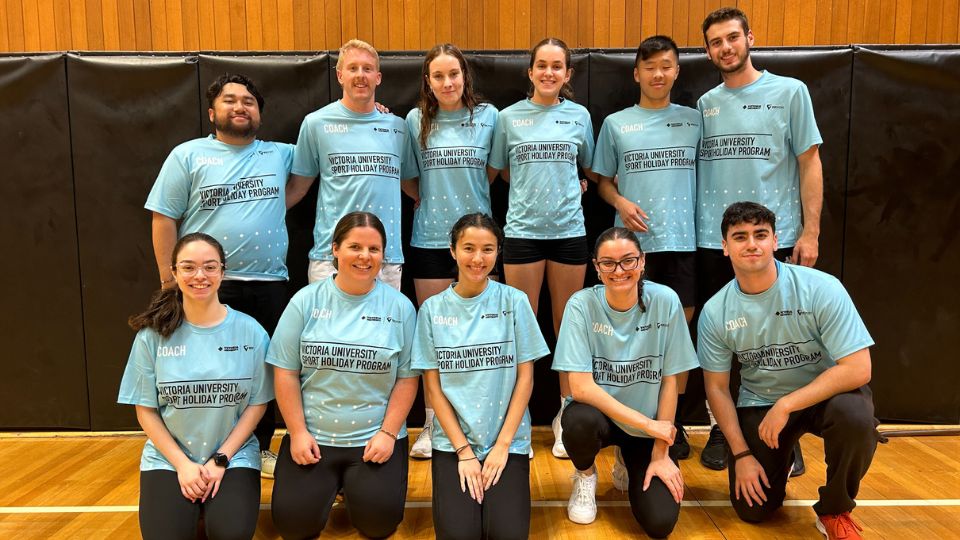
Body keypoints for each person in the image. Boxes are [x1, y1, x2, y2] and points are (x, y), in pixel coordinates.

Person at [698, 202, 876, 540]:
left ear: (775, 240)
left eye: (760, 234)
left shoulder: (821, 288)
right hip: (761, 403)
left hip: (824, 397)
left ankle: (835, 510)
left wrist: (788, 404)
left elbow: (858, 368)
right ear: (725, 247)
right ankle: (780, 454)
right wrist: (742, 453)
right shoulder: (715, 312)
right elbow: (717, 389)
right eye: (740, 237)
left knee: (856, 417)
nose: (751, 244)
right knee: (754, 511)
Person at [696, 7, 825, 472]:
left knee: (787, 340)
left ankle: (789, 431)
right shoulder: (705, 105)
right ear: (708, 50)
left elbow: (810, 162)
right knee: (723, 343)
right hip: (716, 243)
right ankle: (720, 428)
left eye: (732, 38)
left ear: (750, 38)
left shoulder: (790, 92)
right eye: (715, 42)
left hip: (779, 239)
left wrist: (809, 233)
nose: (725, 48)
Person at [145, 74, 291, 478]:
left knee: (263, 369)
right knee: (206, 368)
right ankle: (190, 449)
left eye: (249, 101)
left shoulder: (280, 154)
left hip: (268, 282)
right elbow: (163, 218)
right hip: (205, 283)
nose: (240, 107)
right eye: (230, 100)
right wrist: (169, 280)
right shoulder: (188, 155)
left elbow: (320, 160)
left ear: (259, 113)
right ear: (212, 112)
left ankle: (257, 448)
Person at [267, 212, 418, 539]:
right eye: (355, 247)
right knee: (294, 527)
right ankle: (333, 487)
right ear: (335, 249)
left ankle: (355, 488)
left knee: (379, 525)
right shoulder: (305, 302)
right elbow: (285, 371)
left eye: (374, 249)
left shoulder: (401, 308)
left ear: (383, 255)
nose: (365, 257)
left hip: (373, 440)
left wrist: (389, 434)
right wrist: (297, 432)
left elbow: (407, 379)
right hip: (313, 439)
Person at [119, 232, 272, 540]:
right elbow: (145, 411)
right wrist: (183, 465)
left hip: (232, 456)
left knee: (231, 534)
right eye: (188, 267)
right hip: (169, 458)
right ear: (174, 272)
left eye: (210, 267)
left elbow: (258, 404)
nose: (199, 275)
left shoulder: (251, 332)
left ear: (222, 272)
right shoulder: (153, 336)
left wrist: (221, 459)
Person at [592, 35, 700, 464]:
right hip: (630, 254)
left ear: (676, 71)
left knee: (675, 340)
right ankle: (630, 422)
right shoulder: (617, 124)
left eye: (666, 66)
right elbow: (601, 181)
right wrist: (619, 202)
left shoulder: (695, 120)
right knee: (632, 339)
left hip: (683, 244)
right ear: (636, 73)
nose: (658, 74)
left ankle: (671, 425)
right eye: (650, 66)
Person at [488, 37, 596, 459]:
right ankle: (518, 421)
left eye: (557, 67)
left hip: (570, 232)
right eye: (542, 66)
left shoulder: (580, 116)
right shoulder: (509, 118)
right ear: (530, 72)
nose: (549, 73)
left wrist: (571, 187)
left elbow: (588, 167)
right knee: (522, 330)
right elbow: (498, 171)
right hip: (522, 233)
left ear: (568, 74)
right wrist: (534, 190)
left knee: (567, 327)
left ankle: (567, 413)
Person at [552, 227, 698, 537]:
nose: (619, 271)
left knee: (660, 524)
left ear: (642, 262)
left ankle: (629, 461)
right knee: (577, 420)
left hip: (646, 429)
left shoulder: (665, 300)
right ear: (596, 267)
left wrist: (660, 452)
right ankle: (585, 476)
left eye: (628, 260)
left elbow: (671, 381)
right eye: (608, 263)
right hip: (604, 419)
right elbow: (580, 388)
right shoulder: (581, 305)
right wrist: (649, 424)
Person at [412, 213, 548, 539]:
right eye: (468, 248)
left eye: (487, 249)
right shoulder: (432, 310)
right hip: (455, 443)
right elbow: (433, 387)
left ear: (498, 252)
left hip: (506, 441)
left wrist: (503, 445)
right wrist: (463, 451)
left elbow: (525, 378)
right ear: (452, 250)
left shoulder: (514, 301)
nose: (477, 258)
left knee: (507, 534)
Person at [404, 44, 500, 459]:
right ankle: (431, 423)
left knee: (483, 339)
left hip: (478, 243)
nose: (447, 83)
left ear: (465, 77)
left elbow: (492, 172)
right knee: (437, 339)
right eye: (438, 76)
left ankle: (487, 423)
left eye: (453, 75)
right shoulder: (414, 120)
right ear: (428, 81)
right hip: (429, 240)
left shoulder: (489, 117)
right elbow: (410, 178)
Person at [286, 39, 419, 290]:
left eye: (367, 69)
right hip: (331, 259)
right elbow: (297, 188)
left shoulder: (398, 127)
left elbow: (411, 185)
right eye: (353, 68)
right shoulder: (316, 124)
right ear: (339, 75)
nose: (360, 75)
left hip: (385, 260)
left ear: (378, 77)